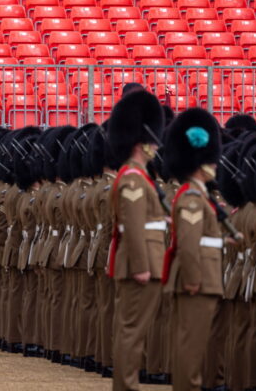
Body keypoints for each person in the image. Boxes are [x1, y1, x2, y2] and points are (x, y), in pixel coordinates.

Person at [106, 89, 166, 391]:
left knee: (134, 333)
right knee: (131, 333)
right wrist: (143, 265)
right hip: (140, 266)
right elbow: (131, 225)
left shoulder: (139, 176)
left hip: (146, 263)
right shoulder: (132, 177)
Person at [161, 108, 224, 391]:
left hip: (201, 278)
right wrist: (193, 278)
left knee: (195, 346)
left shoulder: (197, 195)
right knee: (191, 347)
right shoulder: (192, 197)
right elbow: (188, 242)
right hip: (196, 279)